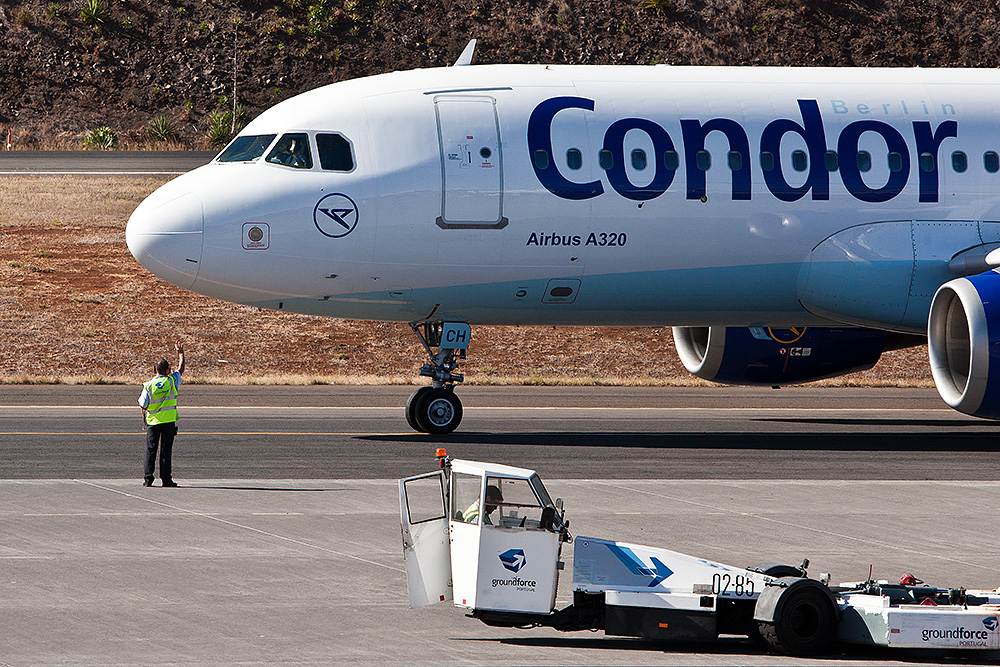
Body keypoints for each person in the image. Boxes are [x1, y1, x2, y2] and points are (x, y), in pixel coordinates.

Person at [138, 344, 185, 487]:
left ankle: (148, 478)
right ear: (168, 370)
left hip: (153, 422)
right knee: (166, 451)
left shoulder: (148, 385)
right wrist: (181, 354)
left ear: (154, 370)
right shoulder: (171, 381)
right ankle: (166, 479)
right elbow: (181, 370)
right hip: (168, 421)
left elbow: (143, 404)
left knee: (151, 450)